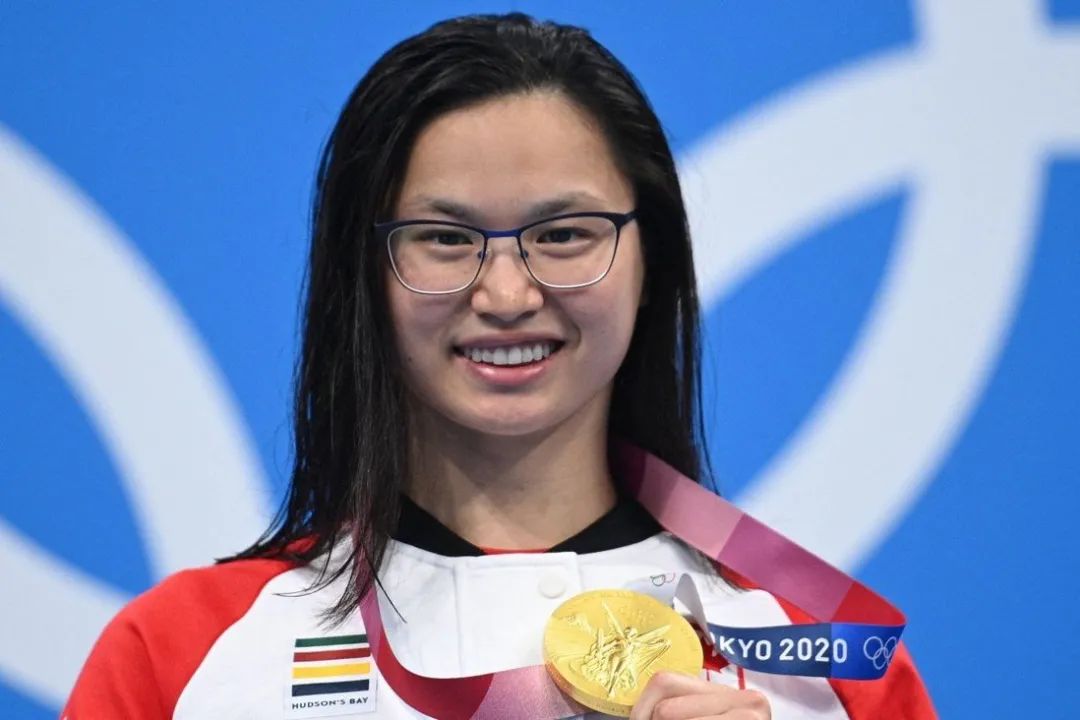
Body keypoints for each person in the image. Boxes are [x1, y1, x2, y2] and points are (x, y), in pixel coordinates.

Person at [63, 13, 934, 720]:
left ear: (653, 261)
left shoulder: (823, 661)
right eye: (445, 239)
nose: (508, 293)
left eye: (565, 234)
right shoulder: (180, 656)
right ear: (362, 276)